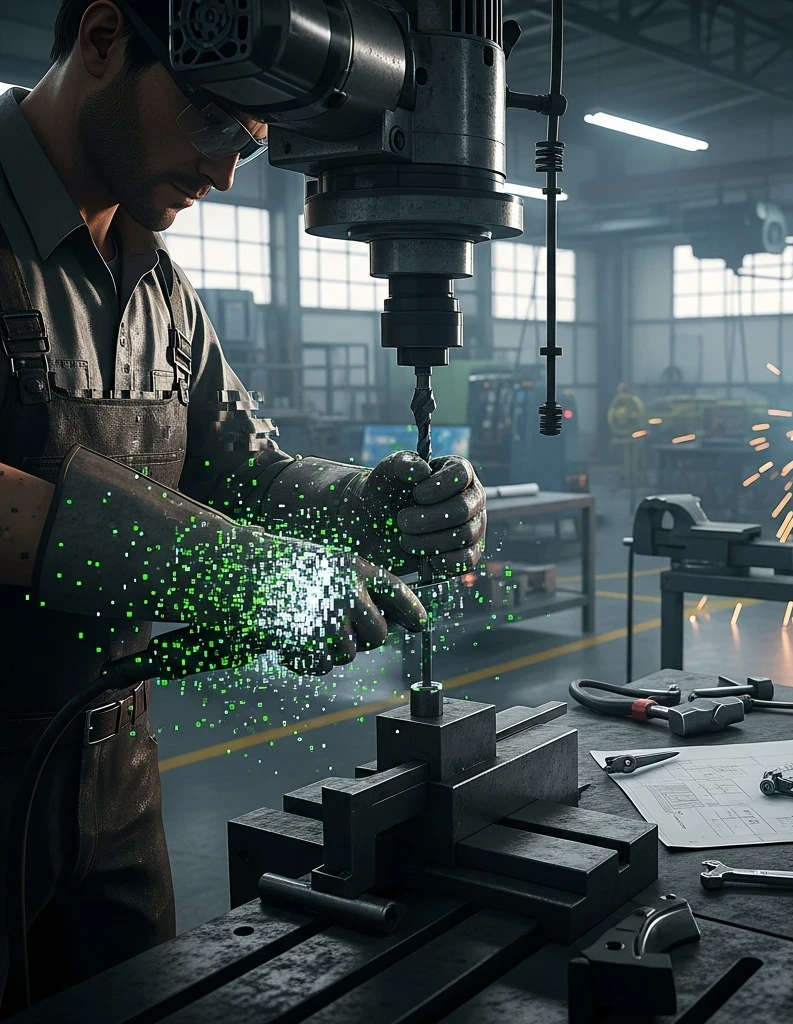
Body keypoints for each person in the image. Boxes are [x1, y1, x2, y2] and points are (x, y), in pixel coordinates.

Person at [0, 0, 485, 1011]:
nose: (225, 173)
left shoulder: (163, 290)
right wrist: (236, 572)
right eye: (216, 121)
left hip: (117, 776)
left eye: (250, 146)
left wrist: (370, 505)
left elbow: (249, 476)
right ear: (102, 39)